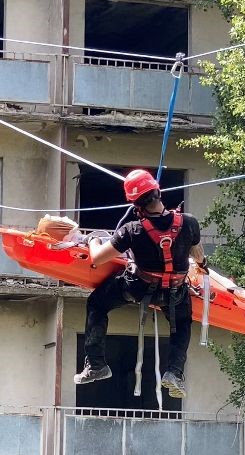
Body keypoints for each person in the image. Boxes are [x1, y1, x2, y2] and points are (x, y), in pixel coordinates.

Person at [74, 169, 207, 398]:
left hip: (138, 287)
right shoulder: (189, 223)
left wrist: (93, 239)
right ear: (158, 192)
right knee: (182, 322)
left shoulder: (132, 230)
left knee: (97, 303)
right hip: (174, 292)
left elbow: (97, 258)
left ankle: (96, 365)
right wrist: (203, 265)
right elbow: (198, 254)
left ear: (136, 205)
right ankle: (174, 372)